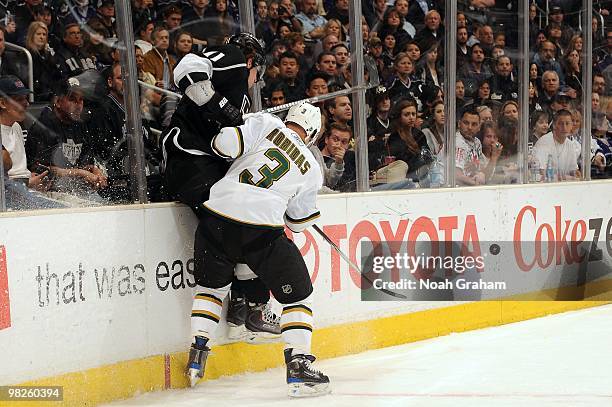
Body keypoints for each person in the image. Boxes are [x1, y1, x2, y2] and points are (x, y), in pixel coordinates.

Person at [185, 102, 330, 397]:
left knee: (210, 290)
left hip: (215, 218)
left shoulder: (265, 123)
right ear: (313, 133)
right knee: (298, 296)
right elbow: (298, 223)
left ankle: (197, 355)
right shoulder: (312, 168)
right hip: (259, 231)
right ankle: (299, 365)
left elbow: (222, 144)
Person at [161, 33, 281, 342]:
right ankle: (251, 303)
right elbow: (186, 68)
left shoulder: (240, 95)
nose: (256, 80)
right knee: (241, 225)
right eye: (259, 72)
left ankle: (244, 300)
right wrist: (220, 106)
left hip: (200, 167)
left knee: (240, 224)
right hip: (190, 161)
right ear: (253, 61)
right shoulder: (234, 59)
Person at [532, 109, 580, 181]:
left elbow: (573, 171)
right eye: (561, 124)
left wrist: (577, 174)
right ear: (554, 125)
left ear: (571, 126)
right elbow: (541, 172)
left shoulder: (570, 144)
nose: (564, 127)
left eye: (567, 123)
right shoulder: (543, 143)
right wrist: (564, 177)